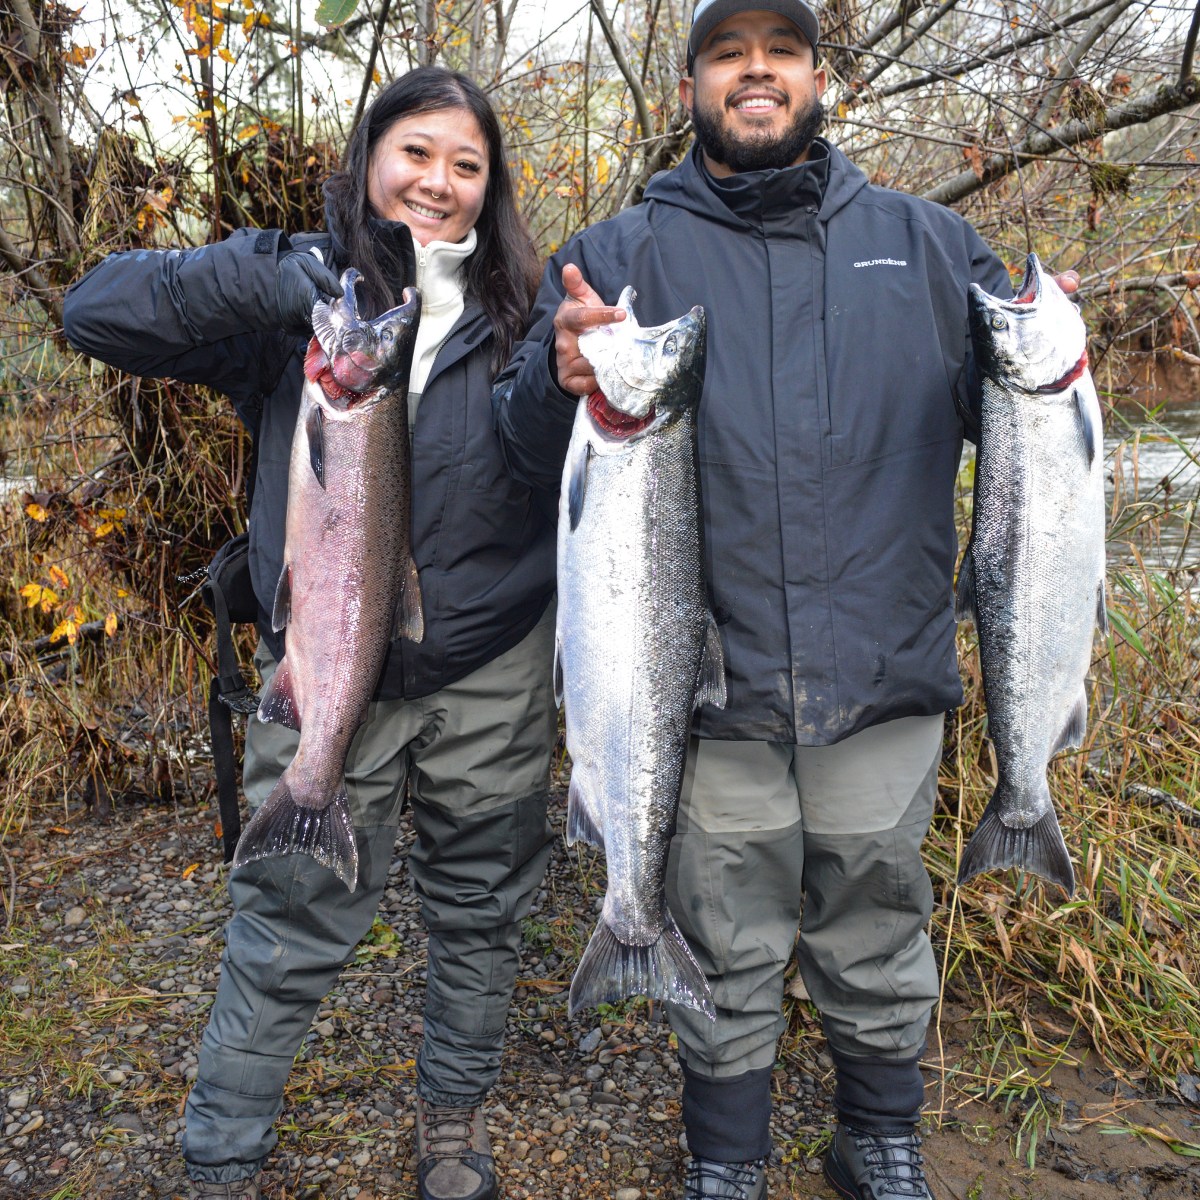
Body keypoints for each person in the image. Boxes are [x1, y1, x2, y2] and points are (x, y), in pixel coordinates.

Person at [494, 3, 1079, 1198]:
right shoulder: (616, 254)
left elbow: (1026, 441)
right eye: (727, 55)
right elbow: (516, 449)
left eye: (779, 54)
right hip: (701, 692)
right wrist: (556, 380)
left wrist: (1062, 378)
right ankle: (727, 1161)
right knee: (725, 929)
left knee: (877, 920)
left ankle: (880, 1140)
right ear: (691, 83)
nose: (754, 74)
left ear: (820, 78)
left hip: (885, 674)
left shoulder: (929, 245)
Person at [63, 66, 557, 1200]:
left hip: (489, 661)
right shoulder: (299, 307)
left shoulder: (523, 304)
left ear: (493, 189)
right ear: (369, 157)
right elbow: (96, 312)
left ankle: (453, 1118)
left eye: (466, 165)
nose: (438, 183)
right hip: (328, 664)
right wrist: (266, 267)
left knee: (481, 904)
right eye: (417, 153)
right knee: (288, 904)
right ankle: (222, 1150)